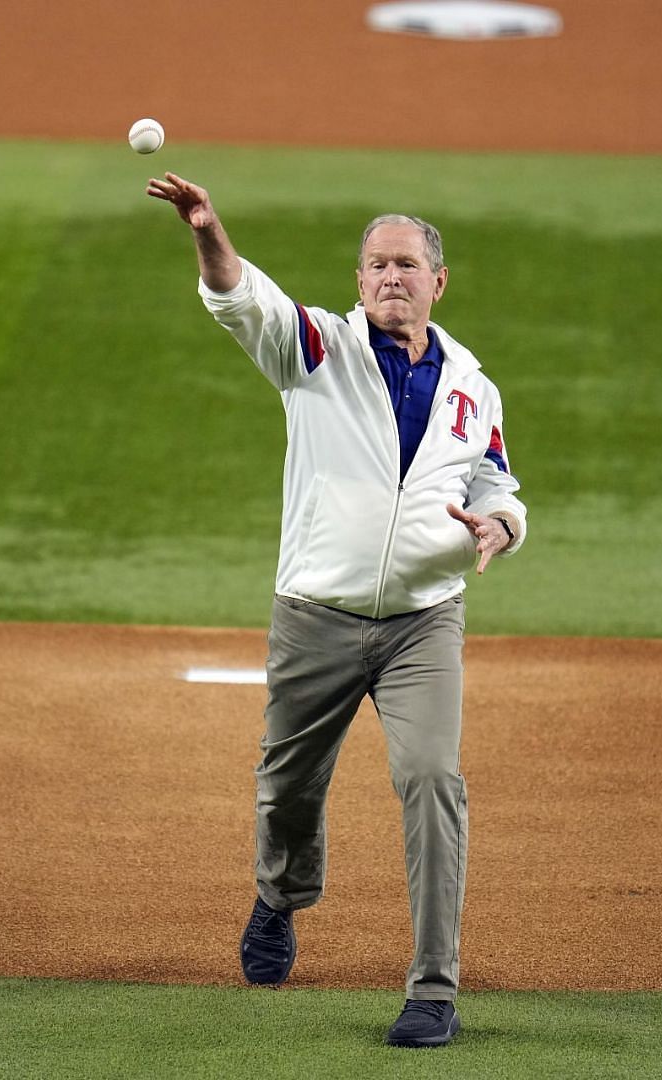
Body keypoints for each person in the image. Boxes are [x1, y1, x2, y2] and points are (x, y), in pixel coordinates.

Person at [147, 172, 526, 1049]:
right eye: (375, 265)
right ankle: (280, 896)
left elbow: (497, 479)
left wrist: (500, 526)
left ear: (438, 281)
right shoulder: (317, 349)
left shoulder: (474, 387)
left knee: (433, 780)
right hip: (316, 613)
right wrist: (207, 230)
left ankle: (434, 988)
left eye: (407, 264)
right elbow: (240, 298)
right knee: (287, 790)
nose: (391, 276)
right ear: (358, 283)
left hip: (425, 621)